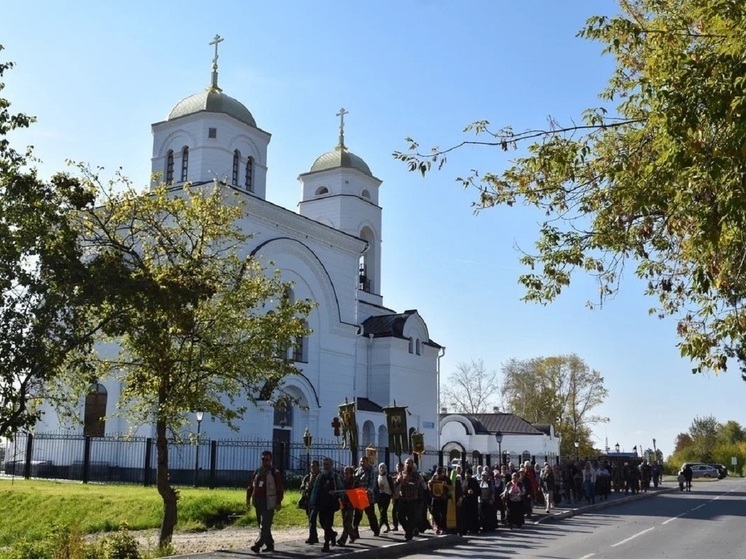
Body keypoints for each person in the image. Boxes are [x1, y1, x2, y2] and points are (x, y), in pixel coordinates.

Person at [246, 450, 284, 554]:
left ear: (270, 460)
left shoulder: (274, 473)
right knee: (262, 525)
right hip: (258, 501)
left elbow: (280, 489)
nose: (264, 461)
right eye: (263, 459)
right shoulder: (258, 471)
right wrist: (248, 500)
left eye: (267, 459)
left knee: (265, 525)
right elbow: (250, 486)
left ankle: (257, 545)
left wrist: (278, 502)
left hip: (269, 502)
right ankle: (270, 544)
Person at [310, 457, 343, 552]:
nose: (325, 466)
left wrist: (335, 493)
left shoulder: (335, 477)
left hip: (331, 505)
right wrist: (313, 502)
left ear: (331, 465)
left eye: (327, 464)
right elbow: (315, 490)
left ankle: (326, 544)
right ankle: (332, 535)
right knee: (322, 523)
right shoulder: (320, 477)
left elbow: (341, 490)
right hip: (321, 504)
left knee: (328, 524)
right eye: (324, 464)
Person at [352, 456, 380, 537]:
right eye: (361, 462)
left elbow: (372, 483)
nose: (362, 463)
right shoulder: (357, 470)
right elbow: (354, 481)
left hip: (368, 497)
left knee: (370, 514)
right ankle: (355, 531)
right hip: (359, 496)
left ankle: (375, 530)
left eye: (364, 462)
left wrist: (369, 490)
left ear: (367, 462)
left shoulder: (371, 471)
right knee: (357, 515)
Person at [300, 460, 321, 544]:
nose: (313, 468)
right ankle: (313, 536)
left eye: (315, 466)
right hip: (309, 501)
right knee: (311, 519)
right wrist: (305, 489)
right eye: (312, 466)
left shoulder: (320, 476)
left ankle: (328, 534)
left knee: (314, 519)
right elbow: (302, 487)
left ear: (318, 467)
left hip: (318, 500)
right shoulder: (308, 477)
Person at [376, 463, 394, 533]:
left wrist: (393, 494)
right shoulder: (378, 477)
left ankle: (378, 527)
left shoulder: (388, 477)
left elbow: (392, 486)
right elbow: (376, 486)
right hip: (380, 495)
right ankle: (387, 526)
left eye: (383, 468)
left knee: (383, 511)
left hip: (387, 495)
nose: (382, 469)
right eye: (380, 468)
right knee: (382, 512)